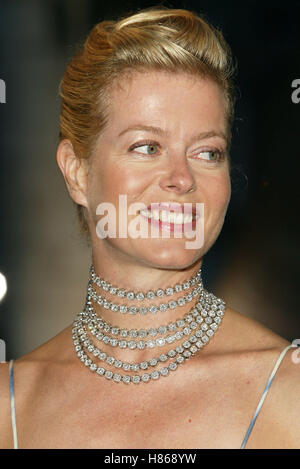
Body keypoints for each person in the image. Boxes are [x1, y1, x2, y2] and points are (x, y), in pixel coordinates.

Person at [0, 6, 299, 450]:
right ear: (77, 172)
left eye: (207, 152)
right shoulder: (11, 403)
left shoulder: (288, 390)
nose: (182, 177)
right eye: (147, 146)